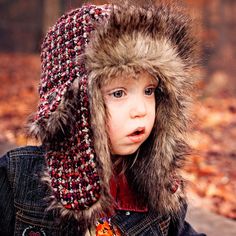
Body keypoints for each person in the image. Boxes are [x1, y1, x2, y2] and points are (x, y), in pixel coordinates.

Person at [0, 1, 206, 235]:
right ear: (73, 104)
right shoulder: (17, 179)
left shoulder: (157, 191)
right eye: (118, 93)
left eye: (149, 91)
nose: (141, 110)